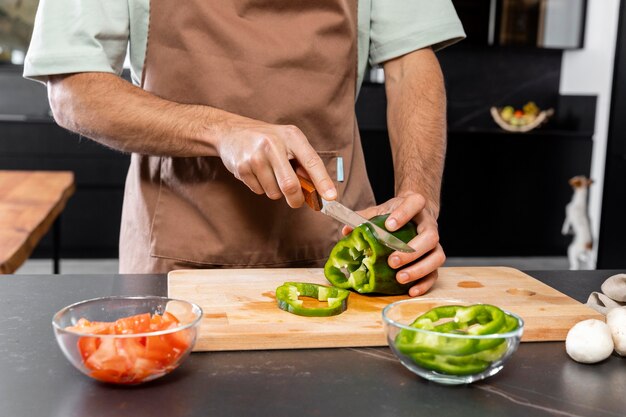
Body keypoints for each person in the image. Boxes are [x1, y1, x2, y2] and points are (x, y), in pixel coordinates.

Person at [24, 0, 465, 297]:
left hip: (340, 245)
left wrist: (417, 196)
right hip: (178, 245)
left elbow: (412, 65)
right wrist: (219, 129)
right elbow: (72, 90)